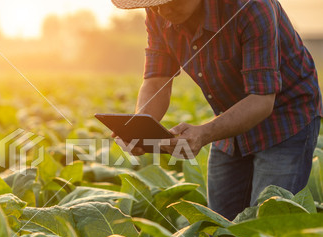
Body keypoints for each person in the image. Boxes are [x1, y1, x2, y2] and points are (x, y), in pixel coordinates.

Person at [111, 0, 322, 221]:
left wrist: (204, 133)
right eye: (155, 5)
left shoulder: (251, 7)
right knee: (219, 223)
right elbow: (156, 81)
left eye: (170, 1)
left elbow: (262, 99)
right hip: (230, 117)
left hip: (286, 119)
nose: (163, 10)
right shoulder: (158, 12)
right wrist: (139, 128)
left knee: (268, 222)